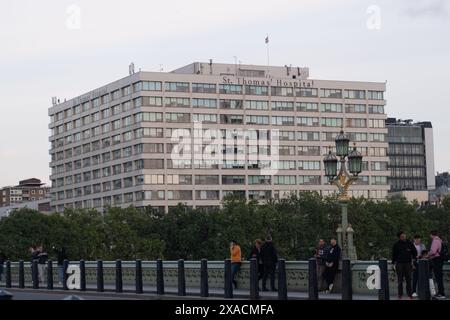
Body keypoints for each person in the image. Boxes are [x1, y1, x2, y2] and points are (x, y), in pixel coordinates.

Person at [392, 231, 417, 299]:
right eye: (402, 236)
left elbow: (415, 252)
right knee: (400, 281)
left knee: (408, 280)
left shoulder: (410, 243)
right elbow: (394, 255)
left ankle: (409, 294)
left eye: (404, 236)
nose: (404, 237)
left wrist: (414, 259)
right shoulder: (396, 245)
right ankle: (400, 294)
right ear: (399, 237)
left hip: (408, 264)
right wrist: (393, 263)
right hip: (399, 264)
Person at [428, 230, 446, 298]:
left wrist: (427, 254)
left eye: (430, 235)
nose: (429, 236)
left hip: (437, 260)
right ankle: (441, 292)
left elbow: (433, 251)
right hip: (440, 260)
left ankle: (441, 293)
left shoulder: (435, 240)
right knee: (439, 277)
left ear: (431, 234)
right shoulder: (440, 240)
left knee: (438, 277)